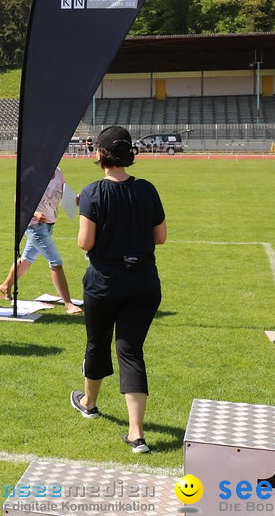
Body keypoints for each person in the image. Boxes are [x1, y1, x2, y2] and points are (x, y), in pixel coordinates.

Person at [69, 126, 166, 455]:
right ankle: (136, 433)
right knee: (131, 351)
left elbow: (85, 242)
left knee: (97, 343)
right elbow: (161, 236)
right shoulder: (147, 189)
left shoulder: (93, 192)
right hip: (143, 281)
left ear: (100, 154)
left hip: (104, 282)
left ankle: (89, 402)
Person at [0, 166, 82, 315]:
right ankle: (68, 304)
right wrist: (35, 213)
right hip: (35, 226)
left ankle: (6, 285)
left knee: (27, 259)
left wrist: (77, 199)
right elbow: (18, 200)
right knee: (55, 262)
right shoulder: (32, 174)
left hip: (49, 225)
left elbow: (66, 196)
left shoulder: (58, 172)